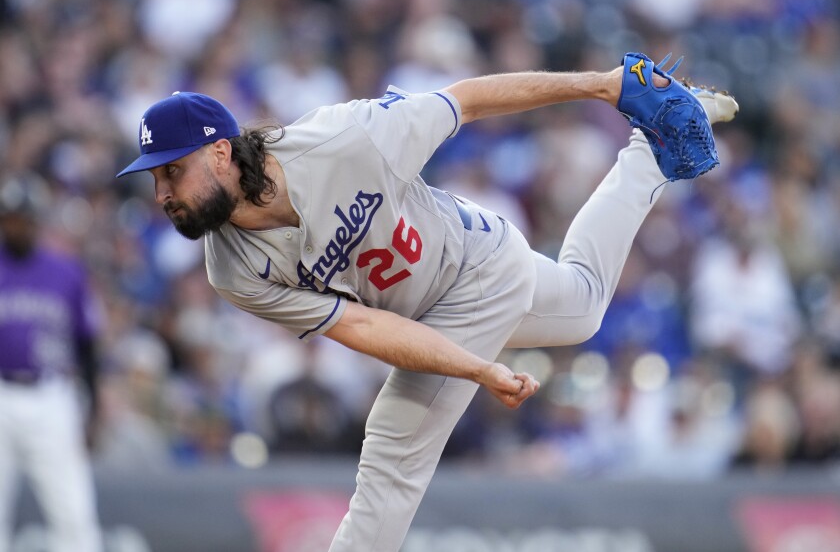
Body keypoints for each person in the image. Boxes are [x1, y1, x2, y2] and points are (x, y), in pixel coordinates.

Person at [116, 52, 737, 551]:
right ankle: (651, 154)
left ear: (221, 151)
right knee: (583, 305)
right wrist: (473, 366)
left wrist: (601, 84)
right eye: (155, 177)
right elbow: (359, 325)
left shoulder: (341, 139)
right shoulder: (231, 268)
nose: (162, 191)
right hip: (443, 298)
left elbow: (465, 100)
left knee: (391, 458)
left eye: (172, 170)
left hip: (476, 263)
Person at [0, 174, 103, 552]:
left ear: (37, 220)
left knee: (73, 512)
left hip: (50, 394)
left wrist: (93, 405)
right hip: (1, 391)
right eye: (9, 217)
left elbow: (87, 343)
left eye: (23, 217)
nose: (16, 225)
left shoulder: (65, 271)